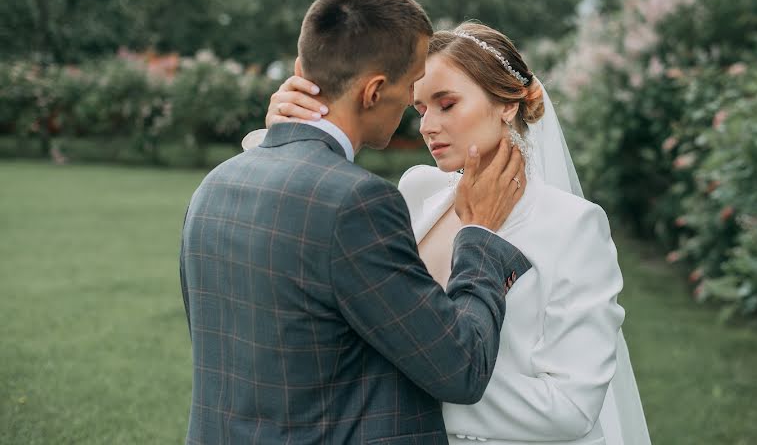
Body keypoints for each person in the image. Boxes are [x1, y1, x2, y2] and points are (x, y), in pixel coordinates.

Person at [256, 22, 652, 444]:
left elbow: (571, 408)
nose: (427, 126)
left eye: (446, 104)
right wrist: (283, 136)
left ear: (506, 105)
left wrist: (413, 382)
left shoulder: (574, 226)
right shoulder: (418, 190)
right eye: (421, 109)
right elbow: (326, 232)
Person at [180, 0, 532, 445]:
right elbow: (461, 368)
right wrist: (481, 236)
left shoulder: (216, 184)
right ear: (373, 92)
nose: (415, 111)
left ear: (304, 68)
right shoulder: (358, 205)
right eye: (411, 90)